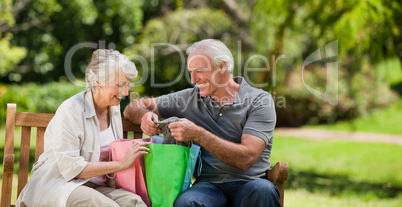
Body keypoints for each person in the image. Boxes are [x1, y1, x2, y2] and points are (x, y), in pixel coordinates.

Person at [124, 39, 281, 207]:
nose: (193, 79)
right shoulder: (190, 98)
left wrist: (198, 133)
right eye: (191, 72)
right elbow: (133, 107)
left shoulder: (259, 100)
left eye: (199, 71)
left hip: (250, 183)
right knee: (186, 203)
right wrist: (144, 116)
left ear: (222, 66)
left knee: (263, 190)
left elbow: (246, 158)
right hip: (209, 186)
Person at [16, 49, 149, 207]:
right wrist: (120, 164)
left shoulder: (113, 109)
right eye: (120, 85)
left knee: (135, 203)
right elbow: (71, 168)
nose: (126, 92)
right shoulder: (71, 110)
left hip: (94, 187)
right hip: (60, 185)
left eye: (127, 85)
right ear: (98, 82)